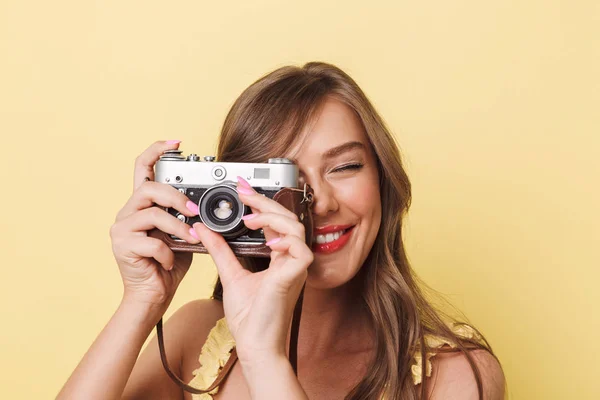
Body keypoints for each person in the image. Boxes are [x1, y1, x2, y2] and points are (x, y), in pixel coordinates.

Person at [58, 62, 506, 399]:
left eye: (345, 166)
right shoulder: (198, 336)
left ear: (385, 182)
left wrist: (264, 359)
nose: (320, 202)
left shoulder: (456, 373)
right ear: (229, 197)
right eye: (286, 181)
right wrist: (142, 300)